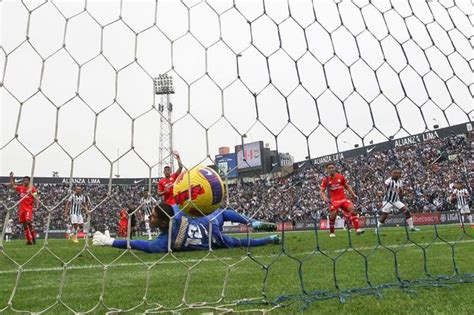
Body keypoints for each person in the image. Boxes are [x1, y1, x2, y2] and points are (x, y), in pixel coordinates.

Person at [93, 204, 279, 253]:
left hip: (213, 241)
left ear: (164, 224)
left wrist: (109, 242)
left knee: (239, 243)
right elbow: (177, 206)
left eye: (154, 216)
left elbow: (138, 244)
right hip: (209, 223)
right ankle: (252, 222)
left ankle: (269, 238)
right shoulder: (176, 211)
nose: (149, 217)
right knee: (223, 212)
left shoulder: (165, 242)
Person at [319, 162, 364, 237]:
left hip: (343, 199)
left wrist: (353, 194)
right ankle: (332, 232)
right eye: (329, 168)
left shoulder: (341, 177)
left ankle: (357, 229)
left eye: (332, 167)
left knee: (352, 209)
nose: (331, 169)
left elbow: (347, 186)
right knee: (333, 215)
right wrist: (324, 197)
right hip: (334, 201)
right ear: (326, 170)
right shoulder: (326, 180)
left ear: (335, 168)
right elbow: (321, 191)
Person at [9, 172, 39, 245]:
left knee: (28, 222)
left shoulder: (32, 189)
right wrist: (11, 177)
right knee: (24, 224)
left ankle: (33, 238)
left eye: (26, 180)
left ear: (29, 181)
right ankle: (29, 240)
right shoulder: (21, 188)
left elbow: (36, 198)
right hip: (22, 209)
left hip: (29, 209)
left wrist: (37, 206)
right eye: (24, 180)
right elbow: (12, 186)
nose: (25, 181)